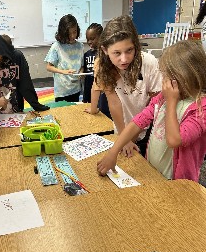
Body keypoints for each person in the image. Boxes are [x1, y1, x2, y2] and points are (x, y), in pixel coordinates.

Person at [97, 40, 206, 181]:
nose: (163, 80)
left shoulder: (201, 108)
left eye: (167, 75)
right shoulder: (163, 97)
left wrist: (172, 102)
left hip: (179, 183)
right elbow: (138, 122)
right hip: (154, 172)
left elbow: (174, 140)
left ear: (185, 76)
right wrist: (113, 152)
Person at [89, 15, 162, 157]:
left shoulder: (149, 63)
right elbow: (114, 103)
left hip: (145, 127)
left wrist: (131, 136)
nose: (124, 59)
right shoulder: (102, 65)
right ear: (105, 50)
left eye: (129, 50)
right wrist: (124, 137)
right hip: (121, 127)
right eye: (116, 53)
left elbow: (153, 106)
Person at [0, 26, 50, 112]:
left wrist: (36, 105)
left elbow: (25, 82)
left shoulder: (17, 56)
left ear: (1, 51)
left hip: (16, 103)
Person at [45, 14, 84, 102]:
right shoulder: (56, 46)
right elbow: (49, 67)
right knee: (62, 113)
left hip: (76, 87)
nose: (72, 36)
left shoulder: (80, 46)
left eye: (74, 32)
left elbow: (82, 65)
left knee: (74, 112)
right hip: (62, 90)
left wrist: (81, 73)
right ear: (63, 32)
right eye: (69, 33)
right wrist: (64, 72)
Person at [83, 23, 112, 119]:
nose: (90, 42)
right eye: (88, 39)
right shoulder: (91, 55)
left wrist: (93, 109)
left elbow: (97, 86)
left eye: (92, 38)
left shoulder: (103, 56)